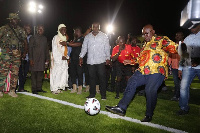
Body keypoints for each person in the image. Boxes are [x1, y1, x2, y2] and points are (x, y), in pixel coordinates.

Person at [106, 24, 178, 122]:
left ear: (153, 32)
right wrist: (131, 61)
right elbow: (140, 59)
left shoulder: (161, 39)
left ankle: (149, 114)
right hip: (143, 71)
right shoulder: (145, 44)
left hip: (157, 71)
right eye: (143, 34)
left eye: (146, 34)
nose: (145, 36)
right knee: (132, 81)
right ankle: (121, 108)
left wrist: (186, 49)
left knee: (149, 90)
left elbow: (175, 47)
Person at [79, 22, 110, 100]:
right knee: (91, 78)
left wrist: (108, 58)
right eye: (94, 27)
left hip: (101, 60)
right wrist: (81, 57)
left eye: (97, 27)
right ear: (92, 27)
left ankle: (103, 95)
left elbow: (107, 48)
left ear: (99, 28)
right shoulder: (87, 37)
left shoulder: (104, 36)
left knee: (102, 78)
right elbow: (84, 48)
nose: (95, 28)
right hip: (91, 61)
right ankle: (92, 94)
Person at [0, 13, 28, 97]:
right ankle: (0, 90)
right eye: (14, 19)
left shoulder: (20, 30)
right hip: (6, 52)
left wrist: (24, 52)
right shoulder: (4, 29)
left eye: (17, 19)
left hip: (17, 53)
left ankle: (12, 90)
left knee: (15, 72)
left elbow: (25, 42)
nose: (16, 21)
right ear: (10, 20)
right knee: (3, 72)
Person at [177, 23, 200, 115]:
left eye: (193, 27)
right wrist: (180, 68)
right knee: (183, 87)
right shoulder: (187, 38)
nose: (191, 29)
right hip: (188, 66)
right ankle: (183, 108)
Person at [29, 25, 49, 94]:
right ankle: (34, 89)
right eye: (39, 29)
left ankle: (39, 88)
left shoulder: (45, 38)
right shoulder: (33, 37)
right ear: (37, 30)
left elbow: (46, 49)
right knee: (34, 74)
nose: (41, 30)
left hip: (42, 59)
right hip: (34, 59)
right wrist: (31, 59)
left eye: (42, 29)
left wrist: (47, 59)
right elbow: (30, 49)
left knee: (40, 74)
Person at [50, 24, 69, 94]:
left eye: (65, 29)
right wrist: (60, 57)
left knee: (62, 73)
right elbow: (55, 49)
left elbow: (64, 47)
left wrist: (65, 57)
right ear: (59, 30)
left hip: (63, 59)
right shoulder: (56, 37)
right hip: (57, 59)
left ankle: (58, 87)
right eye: (63, 29)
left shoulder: (63, 37)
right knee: (56, 74)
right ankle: (54, 89)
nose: (64, 30)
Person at [68, 27, 84, 94]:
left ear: (79, 31)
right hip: (73, 59)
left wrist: (68, 44)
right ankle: (74, 88)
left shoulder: (82, 38)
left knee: (80, 73)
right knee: (73, 73)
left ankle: (80, 88)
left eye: (76, 31)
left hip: (79, 59)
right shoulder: (74, 39)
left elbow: (78, 44)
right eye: (74, 31)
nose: (75, 32)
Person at [168, 32, 183, 101]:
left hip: (183, 67)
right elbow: (170, 56)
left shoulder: (184, 44)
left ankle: (181, 96)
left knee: (182, 83)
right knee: (176, 83)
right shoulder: (173, 45)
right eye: (176, 35)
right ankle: (177, 96)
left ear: (182, 36)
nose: (177, 37)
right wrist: (168, 64)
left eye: (179, 35)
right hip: (174, 67)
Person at [17, 24, 32, 92]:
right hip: (21, 58)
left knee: (25, 73)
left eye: (30, 29)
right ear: (24, 29)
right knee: (20, 73)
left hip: (28, 58)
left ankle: (21, 87)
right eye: (28, 28)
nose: (29, 30)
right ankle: (19, 87)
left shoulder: (31, 37)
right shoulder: (20, 37)